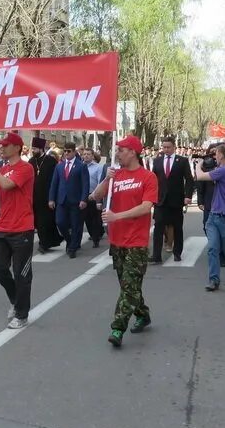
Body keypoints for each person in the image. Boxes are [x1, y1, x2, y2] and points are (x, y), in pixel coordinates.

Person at [90, 136, 158, 348]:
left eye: (121, 150)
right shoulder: (115, 175)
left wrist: (116, 216)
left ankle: (117, 328)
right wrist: (107, 179)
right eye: (117, 150)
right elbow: (95, 196)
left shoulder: (148, 177)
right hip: (117, 240)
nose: (117, 153)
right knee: (128, 286)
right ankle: (143, 314)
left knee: (129, 288)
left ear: (133, 152)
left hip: (136, 242)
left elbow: (146, 207)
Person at [0, 133, 35, 329]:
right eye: (0, 146)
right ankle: (15, 299)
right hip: (3, 227)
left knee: (22, 275)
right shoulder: (3, 169)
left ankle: (22, 314)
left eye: (5, 146)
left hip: (22, 228)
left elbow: (7, 184)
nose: (1, 148)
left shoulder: (26, 168)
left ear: (16, 147)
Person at [192, 145, 225, 292]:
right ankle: (214, 280)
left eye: (216, 154)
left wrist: (198, 165)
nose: (215, 157)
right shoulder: (224, 170)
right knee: (212, 248)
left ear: (221, 156)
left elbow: (199, 176)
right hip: (214, 216)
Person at [150, 136, 194, 263]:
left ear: (174, 147)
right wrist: (152, 197)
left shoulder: (182, 161)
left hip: (176, 200)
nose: (166, 149)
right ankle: (156, 256)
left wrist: (188, 196)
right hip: (160, 201)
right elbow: (153, 180)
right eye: (164, 147)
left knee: (177, 228)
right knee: (158, 228)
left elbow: (189, 179)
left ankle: (177, 253)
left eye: (168, 147)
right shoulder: (157, 161)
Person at [48, 143, 90, 258]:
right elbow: (54, 183)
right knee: (60, 222)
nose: (66, 153)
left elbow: (85, 184)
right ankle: (69, 239)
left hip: (75, 200)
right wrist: (51, 198)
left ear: (74, 152)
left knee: (76, 225)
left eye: (69, 151)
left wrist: (84, 199)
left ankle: (72, 248)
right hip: (61, 200)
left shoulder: (81, 166)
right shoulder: (59, 166)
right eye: (65, 151)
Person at [29, 137, 60, 253]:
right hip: (34, 197)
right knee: (37, 221)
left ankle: (44, 244)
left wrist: (53, 197)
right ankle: (45, 242)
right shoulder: (31, 162)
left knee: (46, 221)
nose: (33, 150)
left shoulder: (50, 161)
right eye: (32, 148)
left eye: (35, 148)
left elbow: (55, 179)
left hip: (47, 196)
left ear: (41, 149)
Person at [82, 149, 107, 248]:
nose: (86, 156)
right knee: (87, 219)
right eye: (84, 154)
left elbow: (100, 182)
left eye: (88, 154)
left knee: (95, 219)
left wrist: (97, 196)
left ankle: (96, 238)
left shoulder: (98, 167)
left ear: (93, 156)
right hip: (84, 196)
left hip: (94, 195)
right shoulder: (80, 166)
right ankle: (93, 235)